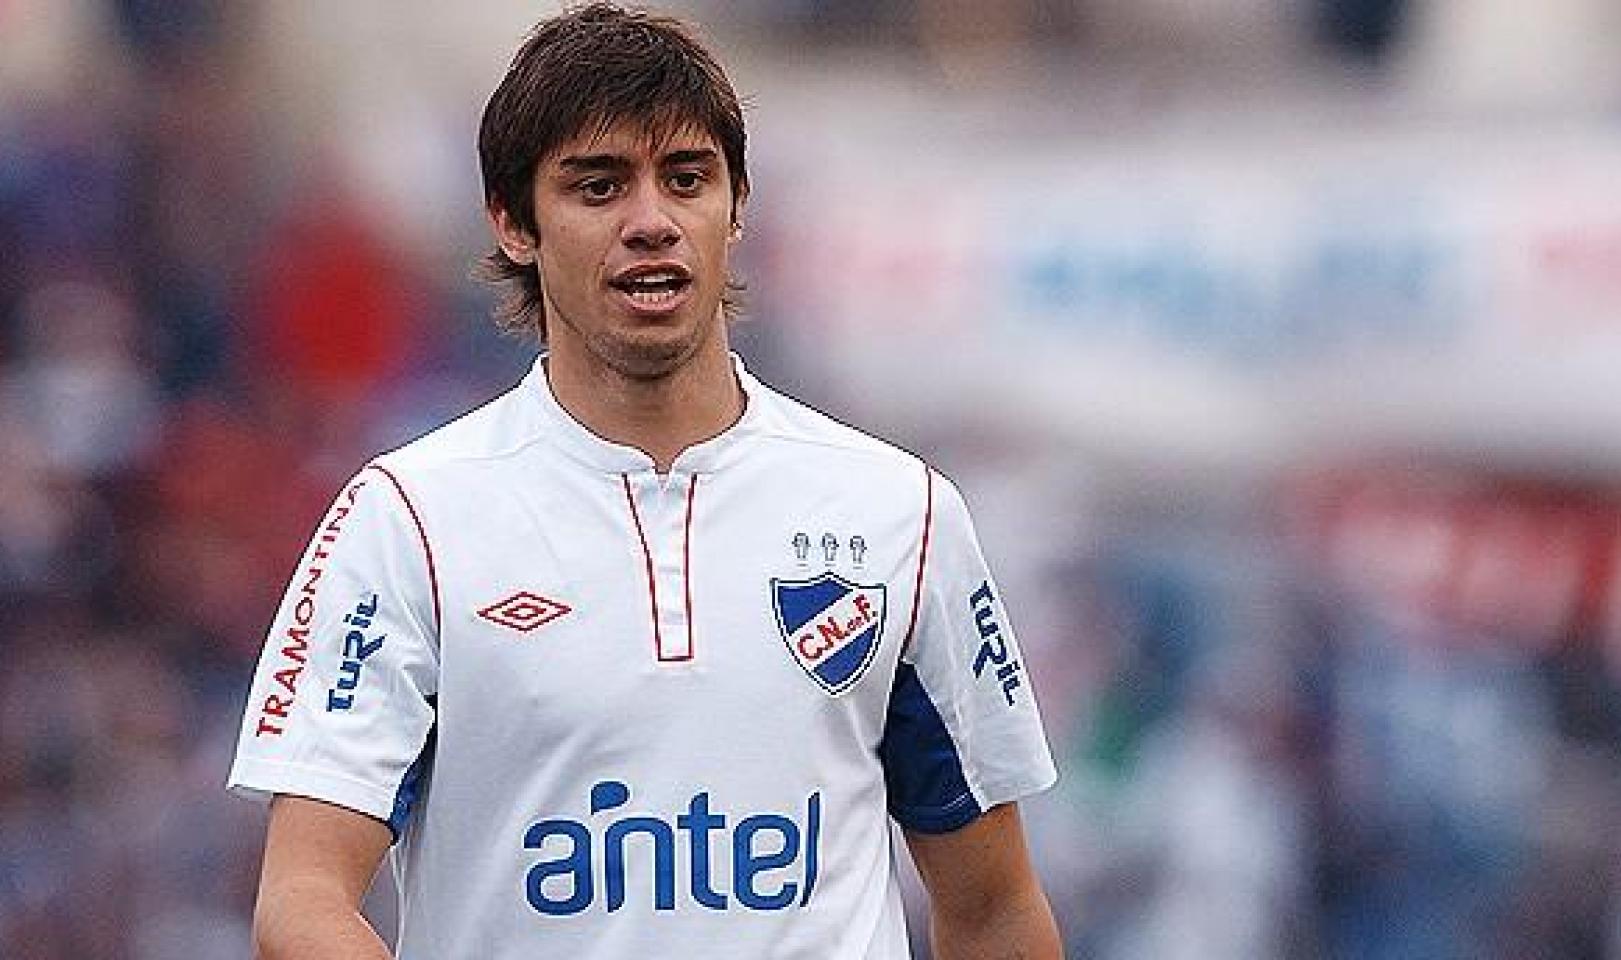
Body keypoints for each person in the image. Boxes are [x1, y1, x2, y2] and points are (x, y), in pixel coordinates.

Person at [227, 4, 1061, 958]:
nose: (652, 223)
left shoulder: (900, 513)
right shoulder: (408, 519)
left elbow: (995, 909)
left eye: (688, 179)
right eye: (599, 187)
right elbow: (301, 899)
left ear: (736, 208)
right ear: (514, 223)